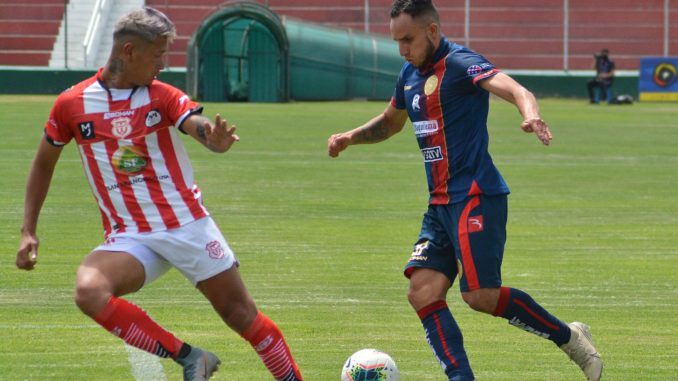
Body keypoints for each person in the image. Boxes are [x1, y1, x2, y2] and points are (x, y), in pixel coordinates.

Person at [15, 7, 303, 381]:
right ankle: (190, 357)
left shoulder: (162, 96)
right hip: (131, 238)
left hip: (186, 225)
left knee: (240, 315)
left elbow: (193, 122)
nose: (164, 64)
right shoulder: (72, 104)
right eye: (159, 55)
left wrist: (212, 140)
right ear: (130, 51)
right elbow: (43, 164)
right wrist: (28, 230)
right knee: (89, 291)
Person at [327, 1, 603, 380]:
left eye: (407, 39)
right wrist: (350, 137)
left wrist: (530, 113)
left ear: (432, 31)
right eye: (396, 41)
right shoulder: (408, 75)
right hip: (439, 204)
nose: (402, 49)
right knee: (422, 291)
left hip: (476, 195)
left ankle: (570, 338)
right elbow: (391, 124)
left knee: (479, 297)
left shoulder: (459, 63)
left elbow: (511, 87)